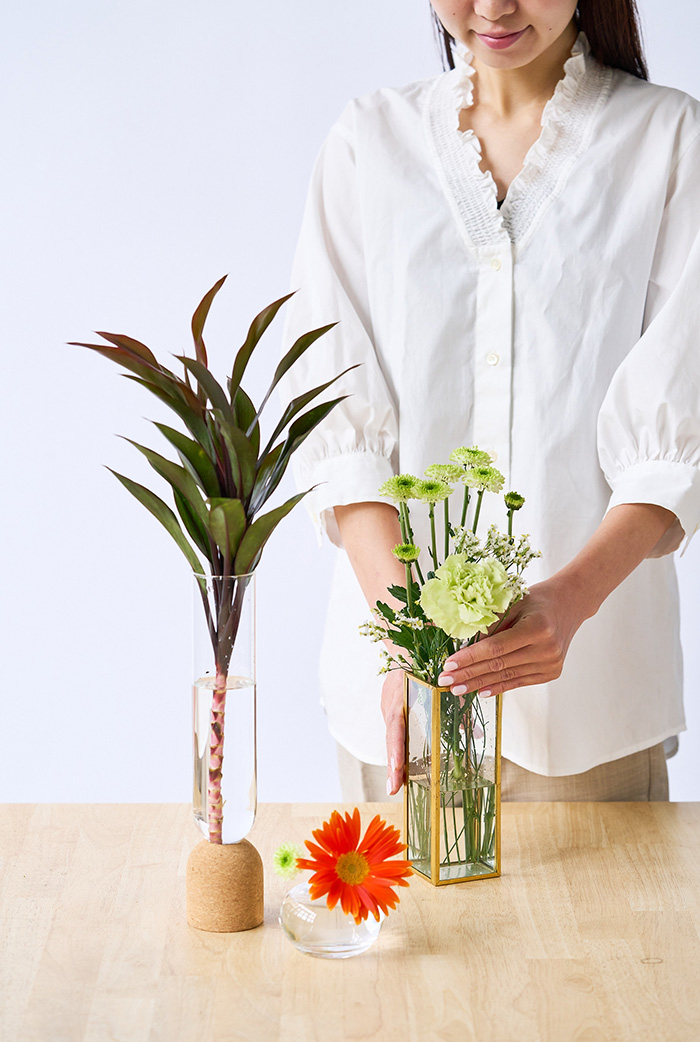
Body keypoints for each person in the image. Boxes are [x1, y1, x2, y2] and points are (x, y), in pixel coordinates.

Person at [281, 0, 700, 804]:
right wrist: (415, 641)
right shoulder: (369, 142)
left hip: (590, 709)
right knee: (405, 930)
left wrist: (567, 603)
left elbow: (675, 439)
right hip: (401, 707)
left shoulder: (669, 143)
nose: (494, 8)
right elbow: (338, 423)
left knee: (607, 936)